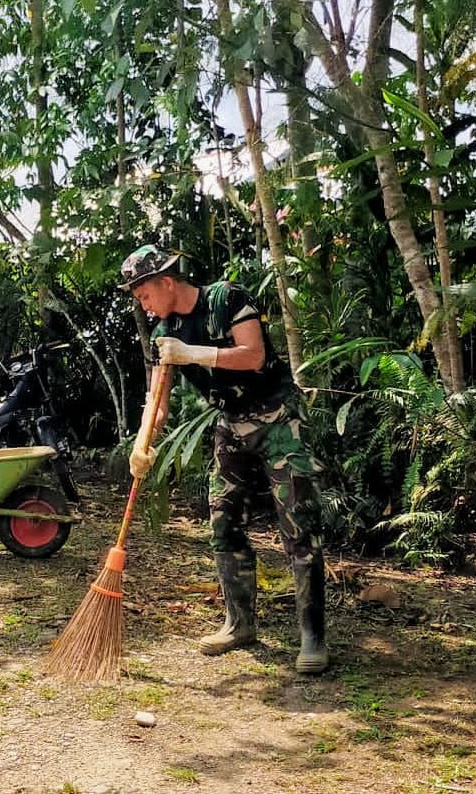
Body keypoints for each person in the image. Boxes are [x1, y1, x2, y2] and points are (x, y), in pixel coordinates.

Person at [120, 244, 328, 674]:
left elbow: (254, 356)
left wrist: (192, 353)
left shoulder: (226, 298)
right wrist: (142, 444)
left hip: (278, 419)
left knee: (298, 523)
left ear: (166, 282)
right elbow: (157, 400)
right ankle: (239, 623)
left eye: (144, 295)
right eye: (138, 299)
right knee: (223, 521)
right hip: (231, 424)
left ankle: (313, 636)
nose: (144, 305)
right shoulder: (163, 335)